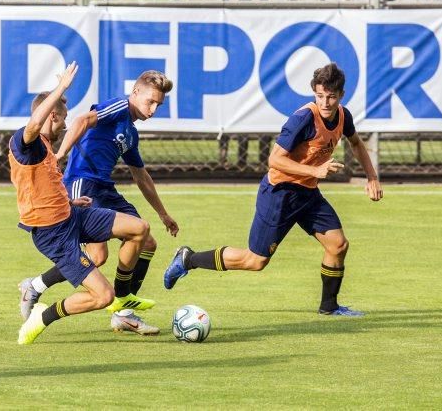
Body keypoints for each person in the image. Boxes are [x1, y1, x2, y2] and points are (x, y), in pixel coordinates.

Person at [163, 63, 383, 317]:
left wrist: (371, 177)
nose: (325, 102)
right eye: (320, 96)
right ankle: (188, 259)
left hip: (307, 194)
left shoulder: (343, 116)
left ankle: (329, 306)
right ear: (314, 92)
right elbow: (275, 160)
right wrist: (316, 171)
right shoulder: (303, 119)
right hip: (280, 193)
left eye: (331, 97)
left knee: (338, 245)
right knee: (255, 261)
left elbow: (355, 142)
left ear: (341, 95)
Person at [18, 70, 179, 336]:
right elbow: (82, 120)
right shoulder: (118, 107)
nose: (153, 109)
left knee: (146, 240)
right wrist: (60, 154)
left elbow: (141, 176)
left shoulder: (130, 134)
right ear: (135, 93)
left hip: (105, 188)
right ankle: (35, 287)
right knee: (97, 256)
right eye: (150, 101)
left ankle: (122, 312)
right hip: (84, 183)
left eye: (158, 105)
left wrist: (163, 214)